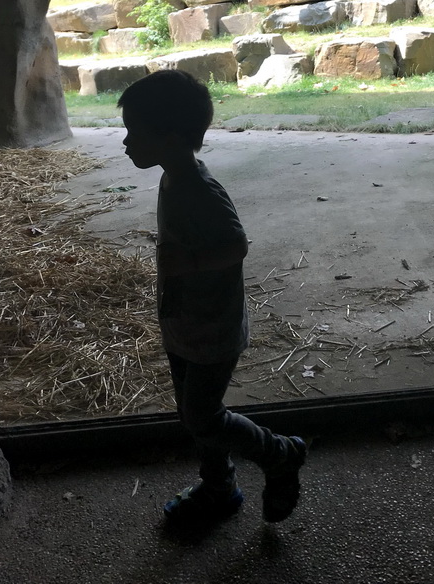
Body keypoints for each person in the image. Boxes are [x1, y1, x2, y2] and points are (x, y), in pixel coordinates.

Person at [117, 70, 307, 526]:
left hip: (212, 328)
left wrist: (185, 266)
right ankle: (219, 487)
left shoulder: (198, 189)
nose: (125, 142)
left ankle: (279, 453)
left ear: (170, 135)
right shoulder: (172, 176)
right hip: (186, 322)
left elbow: (235, 244)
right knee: (194, 413)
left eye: (133, 132)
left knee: (203, 416)